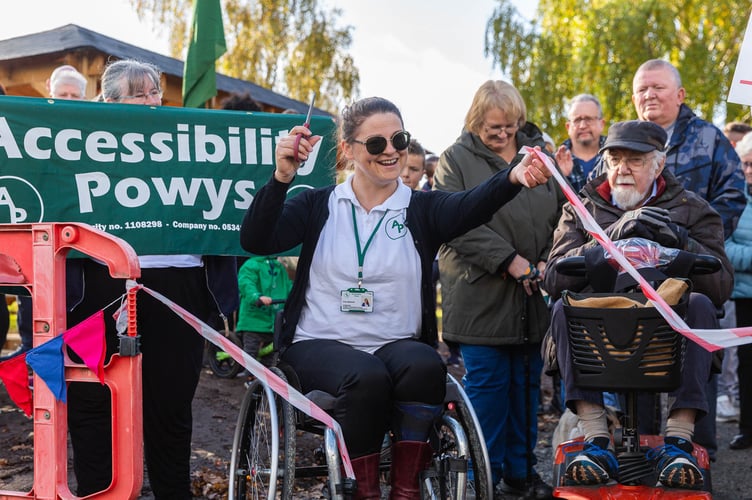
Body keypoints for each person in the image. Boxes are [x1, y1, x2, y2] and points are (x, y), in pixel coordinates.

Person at [239, 96, 551, 499]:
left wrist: (512, 177)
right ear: (349, 150)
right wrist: (281, 177)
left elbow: (472, 204)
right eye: (375, 143)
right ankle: (365, 492)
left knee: (425, 365)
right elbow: (256, 239)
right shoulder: (319, 205)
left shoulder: (420, 209)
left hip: (395, 345)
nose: (391, 151)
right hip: (319, 345)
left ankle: (406, 491)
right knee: (365, 376)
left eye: (399, 139)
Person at [66, 59, 238, 499]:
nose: (152, 101)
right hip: (100, 289)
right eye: (139, 93)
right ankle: (98, 492)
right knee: (93, 404)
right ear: (108, 103)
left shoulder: (190, 146)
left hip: (178, 289)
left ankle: (172, 492)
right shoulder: (76, 148)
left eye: (155, 92)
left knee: (170, 406)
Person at [544, 120, 733, 489]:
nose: (622, 169)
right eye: (614, 159)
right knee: (561, 307)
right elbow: (553, 276)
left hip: (667, 338)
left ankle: (679, 438)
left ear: (658, 165)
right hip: (598, 336)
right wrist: (605, 241)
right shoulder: (583, 211)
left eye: (635, 160)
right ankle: (596, 435)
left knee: (699, 304)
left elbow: (722, 284)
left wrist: (680, 241)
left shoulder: (692, 210)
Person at [433, 80, 564, 499]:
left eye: (509, 125)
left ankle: (521, 475)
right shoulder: (455, 160)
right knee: (488, 392)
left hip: (532, 297)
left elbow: (563, 215)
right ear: (476, 121)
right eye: (494, 127)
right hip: (479, 299)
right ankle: (482, 480)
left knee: (527, 388)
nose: (503, 133)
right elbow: (456, 223)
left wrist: (546, 261)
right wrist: (512, 262)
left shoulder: (538, 156)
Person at [629, 58, 745, 460]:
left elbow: (733, 196)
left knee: (698, 359)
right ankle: (641, 449)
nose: (649, 95)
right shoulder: (625, 144)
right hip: (638, 276)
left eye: (658, 87)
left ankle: (697, 452)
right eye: (642, 89)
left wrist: (698, 244)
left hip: (695, 271)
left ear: (679, 95)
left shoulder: (709, 139)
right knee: (637, 358)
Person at [726, 133, 752, 450]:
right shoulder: (733, 200)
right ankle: (748, 428)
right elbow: (726, 248)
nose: (750, 170)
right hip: (745, 295)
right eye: (746, 163)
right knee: (747, 365)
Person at [236, 255, 292, 371]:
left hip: (273, 322)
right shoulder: (252, 264)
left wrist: (295, 295)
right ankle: (250, 377)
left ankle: (264, 381)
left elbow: (288, 285)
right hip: (254, 320)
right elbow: (246, 283)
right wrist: (256, 296)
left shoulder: (279, 267)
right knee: (251, 352)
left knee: (271, 356)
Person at [555, 93, 606, 192]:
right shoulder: (554, 163)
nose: (582, 125)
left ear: (602, 124)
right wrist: (561, 178)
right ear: (568, 127)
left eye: (589, 119)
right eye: (577, 120)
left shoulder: (618, 157)